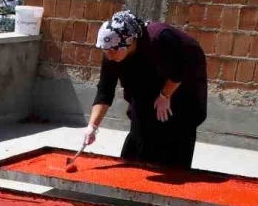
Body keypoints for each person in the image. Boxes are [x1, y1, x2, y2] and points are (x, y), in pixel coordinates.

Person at [81, 10, 208, 169]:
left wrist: (165, 95)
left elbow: (179, 70)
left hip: (184, 81)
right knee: (140, 126)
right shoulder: (112, 51)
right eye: (105, 51)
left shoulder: (160, 38)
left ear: (129, 42)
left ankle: (174, 175)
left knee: (177, 127)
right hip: (147, 78)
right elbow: (105, 91)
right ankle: (132, 173)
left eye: (112, 51)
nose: (109, 56)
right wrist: (92, 127)